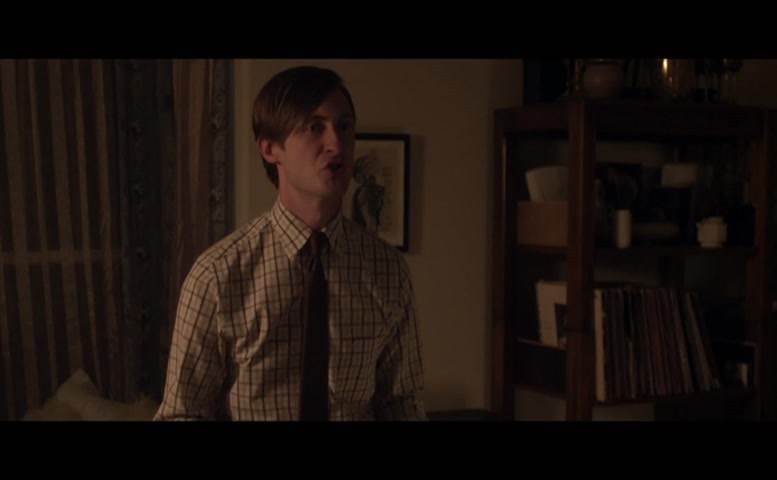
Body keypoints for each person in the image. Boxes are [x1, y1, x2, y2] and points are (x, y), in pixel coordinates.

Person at [153, 65, 427, 421]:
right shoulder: (218, 276)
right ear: (270, 149)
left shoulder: (387, 272)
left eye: (344, 126)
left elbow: (401, 402)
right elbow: (182, 413)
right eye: (315, 128)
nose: (336, 144)